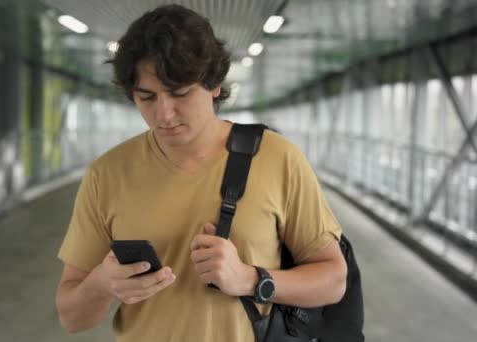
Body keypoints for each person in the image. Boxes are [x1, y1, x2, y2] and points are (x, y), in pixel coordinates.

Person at [55, 4, 347, 341]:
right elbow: (72, 317)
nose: (164, 114)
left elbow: (333, 280)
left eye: (180, 93)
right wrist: (102, 284)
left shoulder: (278, 158)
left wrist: (251, 279)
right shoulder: (106, 175)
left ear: (215, 85)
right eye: (146, 96)